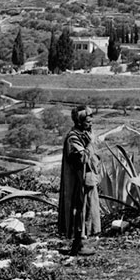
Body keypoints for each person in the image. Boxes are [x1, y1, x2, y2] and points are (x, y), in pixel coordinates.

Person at [58, 105, 102, 255]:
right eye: (87, 121)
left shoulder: (85, 134)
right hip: (79, 181)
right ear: (79, 122)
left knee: (89, 209)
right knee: (81, 210)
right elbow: (82, 158)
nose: (90, 123)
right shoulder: (73, 137)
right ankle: (80, 245)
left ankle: (81, 243)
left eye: (91, 120)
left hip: (88, 179)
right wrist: (90, 144)